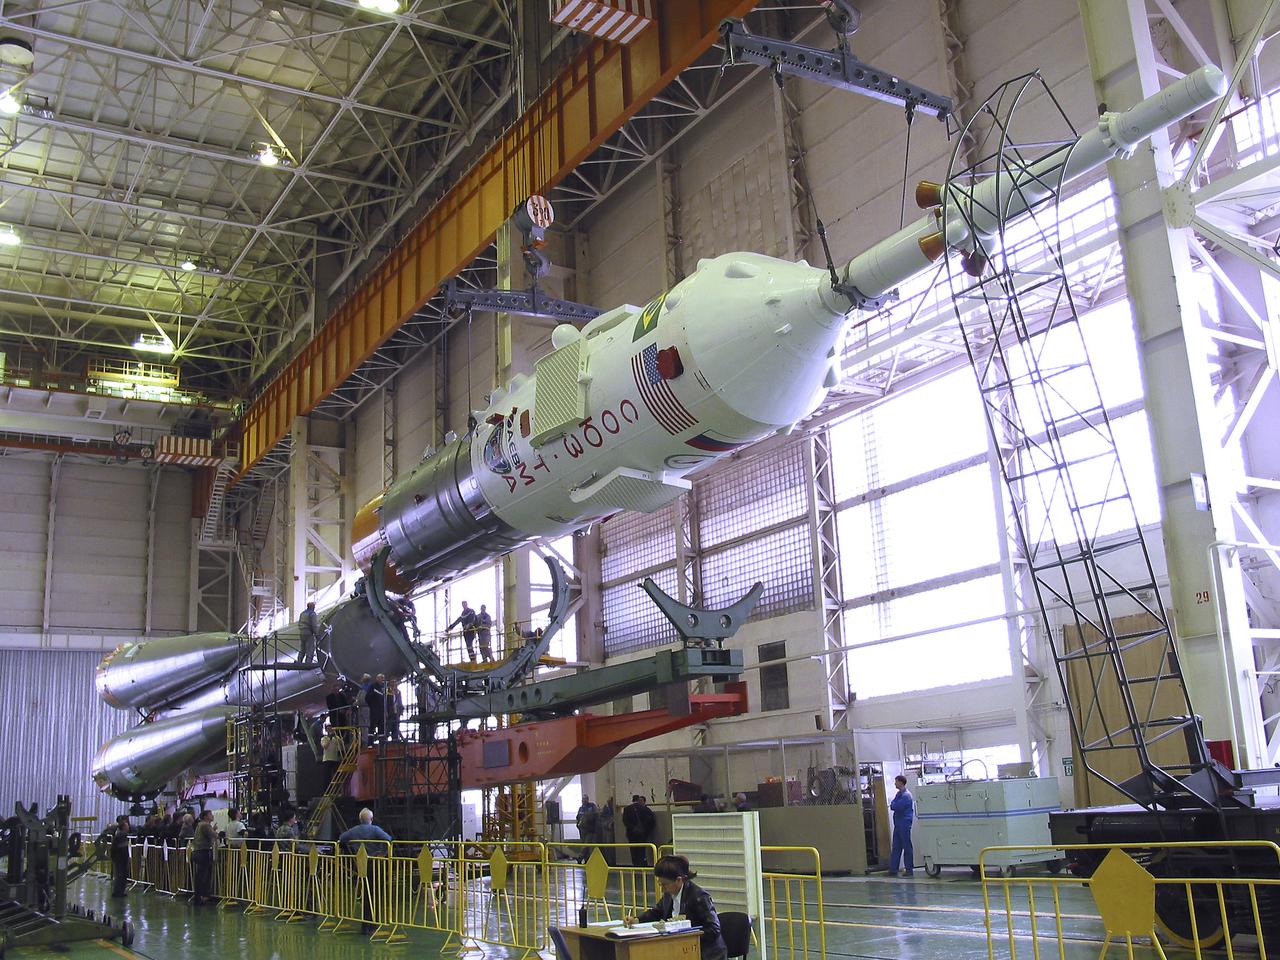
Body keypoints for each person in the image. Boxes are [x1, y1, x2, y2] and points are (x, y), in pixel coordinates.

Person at [625, 855, 726, 960]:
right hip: (680, 949)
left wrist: (687, 937)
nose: (662, 888)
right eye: (660, 884)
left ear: (679, 880)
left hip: (705, 954)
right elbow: (657, 912)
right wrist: (637, 920)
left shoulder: (699, 897)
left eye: (665, 884)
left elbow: (714, 929)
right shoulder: (669, 894)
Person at [888, 774, 915, 877]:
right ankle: (893, 869)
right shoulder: (899, 794)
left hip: (904, 823)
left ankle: (909, 869)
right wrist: (893, 805)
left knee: (907, 846)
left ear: (900, 782)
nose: (895, 783)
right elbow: (893, 805)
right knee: (896, 846)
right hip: (899, 824)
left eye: (896, 781)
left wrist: (893, 805)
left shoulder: (906, 796)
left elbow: (896, 806)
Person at [622, 794, 657, 867]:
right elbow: (650, 820)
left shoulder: (627, 809)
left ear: (632, 800)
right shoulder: (644, 808)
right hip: (642, 833)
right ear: (638, 800)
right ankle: (642, 864)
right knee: (641, 849)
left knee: (633, 849)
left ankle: (635, 864)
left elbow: (625, 821)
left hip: (631, 833)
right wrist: (646, 830)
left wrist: (633, 828)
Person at [191, 809, 217, 904]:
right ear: (206, 816)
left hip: (197, 851)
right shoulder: (205, 825)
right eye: (210, 814)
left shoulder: (200, 824)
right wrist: (216, 832)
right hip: (203, 852)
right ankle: (201, 896)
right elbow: (213, 835)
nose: (212, 815)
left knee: (199, 875)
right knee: (203, 875)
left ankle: (198, 895)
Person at [110, 815, 131, 897]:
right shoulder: (123, 835)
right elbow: (123, 848)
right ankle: (119, 892)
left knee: (119, 875)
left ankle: (118, 891)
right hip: (121, 858)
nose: (128, 827)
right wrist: (127, 858)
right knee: (121, 875)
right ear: (124, 827)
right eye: (127, 826)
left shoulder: (119, 834)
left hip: (117, 857)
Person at [575, 795, 599, 862]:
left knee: (586, 844)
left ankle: (580, 857)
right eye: (583, 799)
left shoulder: (592, 806)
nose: (584, 801)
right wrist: (578, 824)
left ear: (587, 799)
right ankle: (587, 860)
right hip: (582, 829)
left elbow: (596, 815)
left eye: (585, 799)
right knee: (584, 845)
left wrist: (588, 817)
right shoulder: (581, 808)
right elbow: (578, 817)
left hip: (590, 829)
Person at [366, 673, 387, 740]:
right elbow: (367, 698)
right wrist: (372, 705)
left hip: (381, 711)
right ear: (377, 679)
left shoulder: (383, 688)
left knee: (381, 727)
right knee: (372, 726)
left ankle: (381, 742)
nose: (382, 680)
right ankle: (370, 743)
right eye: (381, 678)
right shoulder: (373, 686)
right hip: (374, 710)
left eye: (383, 678)